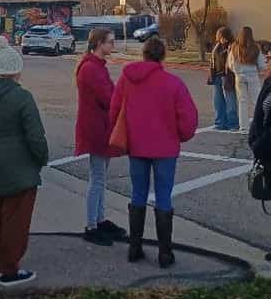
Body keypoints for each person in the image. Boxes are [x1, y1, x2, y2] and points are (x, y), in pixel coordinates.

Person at [110, 36, 198, 268]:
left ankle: (135, 247)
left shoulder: (127, 80)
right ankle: (165, 253)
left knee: (138, 193)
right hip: (165, 148)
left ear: (144, 54)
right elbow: (188, 119)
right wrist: (178, 136)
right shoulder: (173, 83)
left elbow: (114, 110)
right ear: (163, 56)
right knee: (163, 196)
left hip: (137, 147)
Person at [0, 41, 48, 289]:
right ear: (15, 69)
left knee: (4, 214)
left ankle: (1, 258)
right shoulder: (21, 97)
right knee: (18, 220)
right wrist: (41, 158)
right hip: (21, 166)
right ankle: (10, 269)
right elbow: (35, 136)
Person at [74, 29, 126, 245]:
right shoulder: (90, 69)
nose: (112, 46)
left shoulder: (96, 67)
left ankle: (100, 219)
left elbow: (112, 94)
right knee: (97, 179)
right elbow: (108, 98)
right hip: (96, 128)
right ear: (98, 43)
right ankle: (91, 225)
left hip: (102, 126)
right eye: (110, 43)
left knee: (100, 178)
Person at [228, 25, 267, 134]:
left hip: (239, 76)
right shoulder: (255, 47)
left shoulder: (234, 47)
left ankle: (243, 127)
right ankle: (258, 126)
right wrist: (257, 70)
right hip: (253, 75)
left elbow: (230, 63)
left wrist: (236, 71)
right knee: (256, 101)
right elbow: (262, 65)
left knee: (242, 101)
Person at [248, 73, 271, 262]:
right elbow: (259, 115)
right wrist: (253, 138)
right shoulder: (269, 82)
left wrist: (259, 145)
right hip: (266, 151)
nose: (268, 57)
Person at [208, 27, 239, 131]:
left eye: (223, 37)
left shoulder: (232, 46)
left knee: (230, 101)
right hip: (217, 75)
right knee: (218, 101)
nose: (222, 40)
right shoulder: (217, 46)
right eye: (220, 37)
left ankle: (233, 124)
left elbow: (233, 62)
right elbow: (213, 60)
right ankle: (220, 123)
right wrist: (211, 75)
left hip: (227, 76)